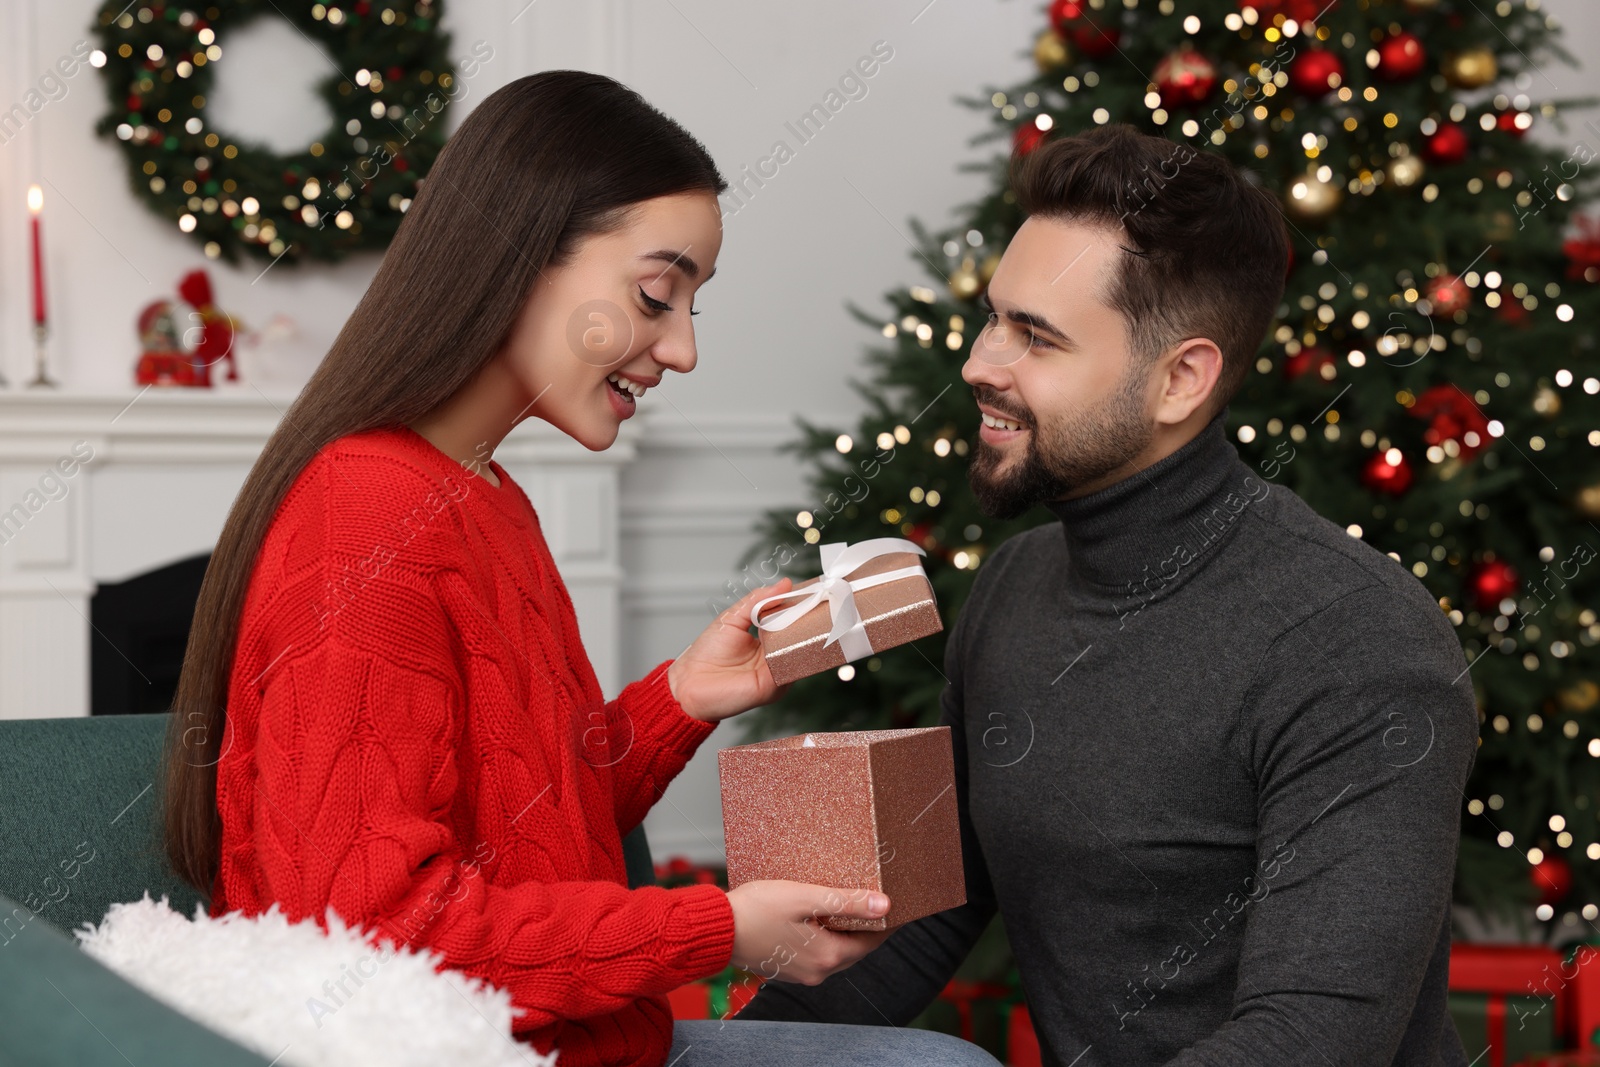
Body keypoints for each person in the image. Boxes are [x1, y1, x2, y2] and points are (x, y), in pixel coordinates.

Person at [161, 71, 1000, 1067]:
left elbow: (525, 833)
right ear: (518, 253)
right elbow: (372, 936)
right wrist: (716, 929)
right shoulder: (365, 520)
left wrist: (680, 698)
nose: (681, 348)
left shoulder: (481, 494)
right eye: (656, 293)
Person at [737, 123, 1479, 1066]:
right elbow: (924, 915)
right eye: (994, 315)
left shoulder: (1359, 641)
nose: (978, 362)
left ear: (1181, 380)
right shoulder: (1014, 585)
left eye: (1035, 336)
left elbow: (1312, 1041)